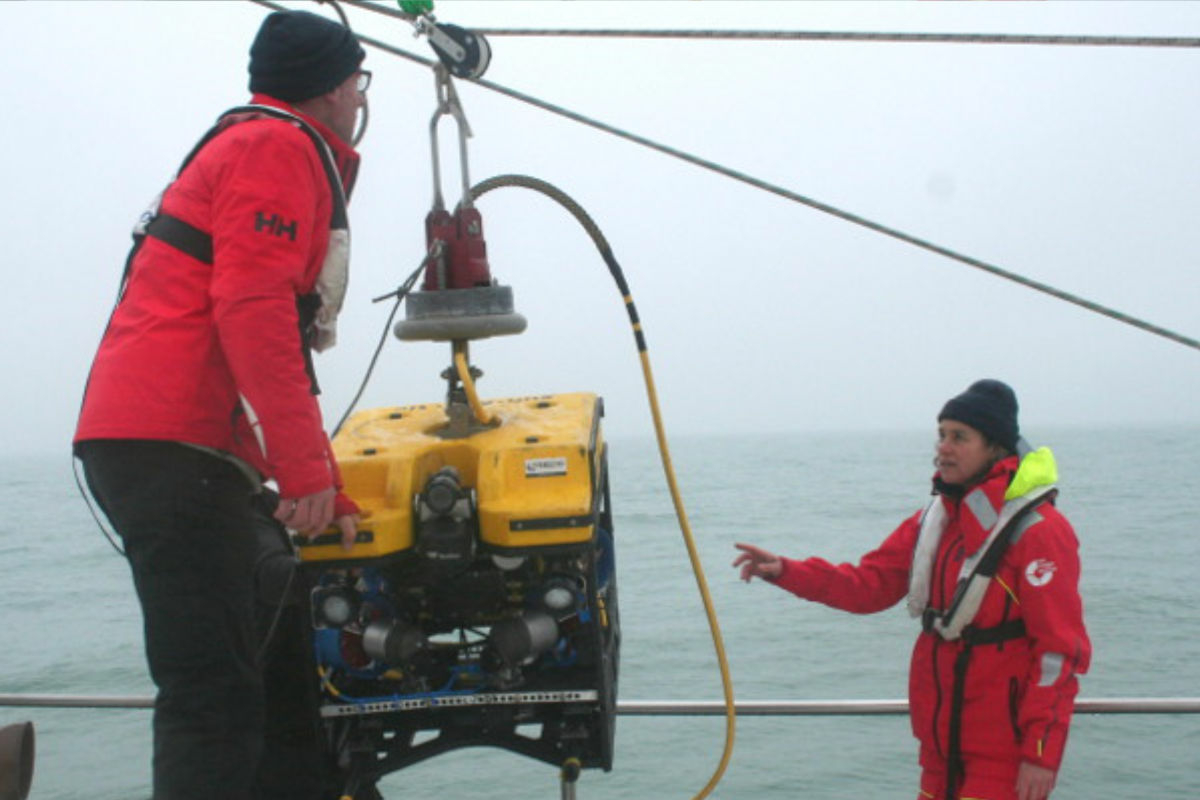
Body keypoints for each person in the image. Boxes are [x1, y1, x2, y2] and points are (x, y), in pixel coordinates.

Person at [74, 10, 372, 799]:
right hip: (173, 446)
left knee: (282, 669)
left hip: (185, 447)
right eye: (359, 81)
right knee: (211, 693)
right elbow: (253, 307)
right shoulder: (273, 146)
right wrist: (308, 471)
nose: (359, 97)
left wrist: (321, 482)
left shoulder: (260, 144)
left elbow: (269, 338)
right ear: (338, 87)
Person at [733, 380, 1090, 800]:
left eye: (960, 437)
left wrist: (1041, 753)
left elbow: (1058, 652)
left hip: (1002, 758)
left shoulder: (1039, 533)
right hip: (938, 753)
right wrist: (786, 571)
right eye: (942, 434)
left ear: (995, 447)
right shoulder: (935, 522)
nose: (944, 447)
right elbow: (868, 586)